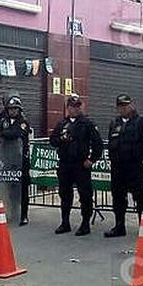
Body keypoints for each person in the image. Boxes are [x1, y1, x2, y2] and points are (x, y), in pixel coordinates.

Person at [104, 94, 143, 238]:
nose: (123, 109)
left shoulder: (141, 122)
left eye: (126, 106)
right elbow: (111, 143)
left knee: (140, 197)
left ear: (131, 105)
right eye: (121, 106)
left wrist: (140, 157)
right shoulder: (114, 123)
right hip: (118, 167)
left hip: (135, 167)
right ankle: (119, 226)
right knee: (118, 197)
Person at [49, 95, 103, 236]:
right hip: (65, 164)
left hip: (81, 165)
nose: (75, 109)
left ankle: (85, 224)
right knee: (65, 194)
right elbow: (52, 140)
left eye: (77, 106)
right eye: (72, 106)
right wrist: (61, 139)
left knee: (85, 195)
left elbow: (98, 144)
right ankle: (65, 223)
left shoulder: (87, 123)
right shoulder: (62, 123)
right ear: (68, 108)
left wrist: (92, 159)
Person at [0, 95, 32, 226]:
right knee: (11, 188)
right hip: (7, 159)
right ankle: (14, 212)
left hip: (21, 160)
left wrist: (1, 134)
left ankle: (24, 215)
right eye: (10, 109)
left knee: (23, 189)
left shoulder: (23, 121)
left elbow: (16, 133)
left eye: (15, 108)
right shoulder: (3, 121)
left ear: (19, 109)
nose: (12, 111)